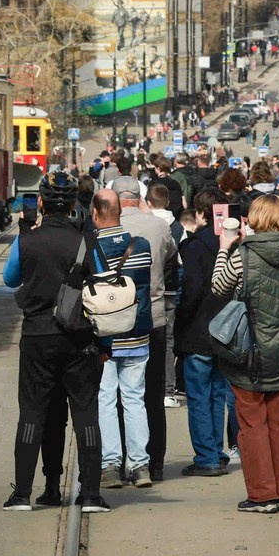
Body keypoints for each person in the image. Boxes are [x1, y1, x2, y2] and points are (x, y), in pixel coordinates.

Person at [2, 172, 104, 512]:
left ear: (40, 203)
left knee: (34, 412)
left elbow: (9, 279)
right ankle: (91, 494)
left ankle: (26, 493)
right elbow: (102, 285)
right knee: (85, 413)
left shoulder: (27, 241)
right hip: (80, 338)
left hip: (38, 336)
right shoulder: (87, 241)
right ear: (74, 204)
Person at [211, 192, 279, 514]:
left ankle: (262, 494)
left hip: (251, 350)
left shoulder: (244, 256)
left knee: (252, 423)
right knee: (278, 423)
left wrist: (224, 248)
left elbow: (219, 287)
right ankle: (278, 489)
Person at [88, 189, 155, 491]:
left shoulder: (91, 248)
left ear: (95, 213)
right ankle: (140, 465)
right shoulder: (141, 246)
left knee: (105, 398)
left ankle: (111, 465)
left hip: (105, 336)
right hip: (137, 333)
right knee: (134, 398)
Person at [176, 188, 235, 478]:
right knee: (217, 394)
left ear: (200, 213)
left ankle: (206, 456)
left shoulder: (194, 246)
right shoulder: (233, 243)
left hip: (198, 329)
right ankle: (217, 452)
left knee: (199, 396)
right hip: (226, 330)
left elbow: (191, 292)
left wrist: (180, 323)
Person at [125, 178, 181, 469]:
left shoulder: (107, 227)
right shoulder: (159, 226)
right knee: (153, 394)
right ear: (140, 198)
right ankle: (155, 461)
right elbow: (171, 254)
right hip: (155, 317)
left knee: (121, 394)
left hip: (118, 319)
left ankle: (125, 458)